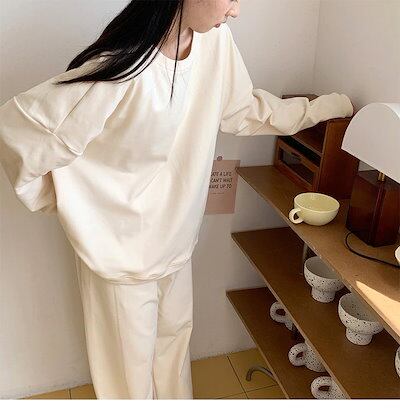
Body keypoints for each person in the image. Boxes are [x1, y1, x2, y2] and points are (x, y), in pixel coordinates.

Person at [0, 0, 354, 400]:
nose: (235, 11)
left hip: (176, 242)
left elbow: (242, 110)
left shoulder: (214, 42)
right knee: (128, 382)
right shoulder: (120, 68)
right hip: (122, 257)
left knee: (173, 354)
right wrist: (74, 205)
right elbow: (21, 132)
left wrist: (321, 109)